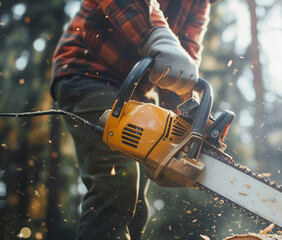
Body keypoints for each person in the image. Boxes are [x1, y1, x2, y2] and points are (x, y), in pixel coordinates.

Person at [50, 0, 214, 239]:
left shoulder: (200, 4)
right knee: (117, 180)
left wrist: (190, 114)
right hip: (88, 71)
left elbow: (183, 59)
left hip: (138, 91)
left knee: (135, 200)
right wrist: (158, 37)